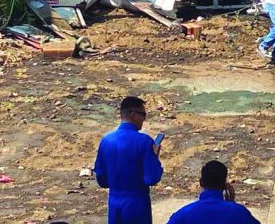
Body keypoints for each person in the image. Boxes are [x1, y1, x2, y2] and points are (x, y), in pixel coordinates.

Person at [94, 96, 164, 224]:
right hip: (137, 204)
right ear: (133, 115)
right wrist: (155, 158)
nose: (144, 119)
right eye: (143, 115)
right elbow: (152, 178)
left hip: (114, 203)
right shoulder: (144, 142)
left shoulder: (106, 141)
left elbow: (102, 180)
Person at [167, 160, 260, 224]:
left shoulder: (183, 215)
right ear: (224, 185)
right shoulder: (239, 213)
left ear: (201, 182)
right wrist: (232, 204)